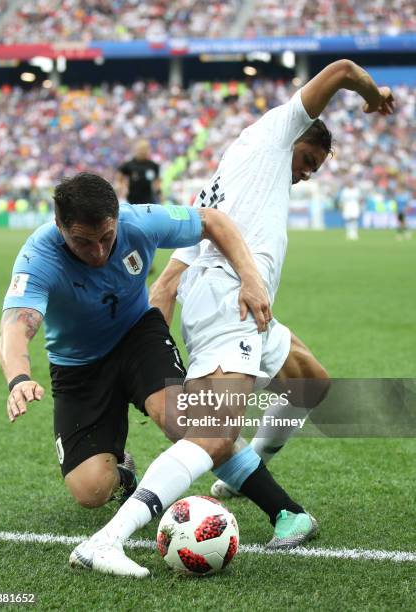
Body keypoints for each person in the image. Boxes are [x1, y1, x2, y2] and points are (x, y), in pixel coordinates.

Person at [0, 172, 306, 577]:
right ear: (59, 227)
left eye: (106, 238)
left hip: (137, 338)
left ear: (116, 219)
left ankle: (286, 510)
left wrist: (251, 277)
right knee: (90, 490)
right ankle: (124, 472)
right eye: (82, 242)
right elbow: (15, 329)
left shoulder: (138, 221)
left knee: (187, 422)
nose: (97, 252)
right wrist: (19, 378)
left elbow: (213, 220)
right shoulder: (38, 256)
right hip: (78, 368)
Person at [149, 60, 394, 504]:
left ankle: (242, 474)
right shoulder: (275, 132)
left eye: (314, 170)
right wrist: (373, 97)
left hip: (245, 303)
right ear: (295, 136)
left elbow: (168, 280)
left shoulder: (230, 177)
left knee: (311, 383)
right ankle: (123, 524)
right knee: (209, 428)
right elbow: (341, 70)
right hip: (228, 303)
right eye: (307, 161)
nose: (305, 174)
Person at [118, 139, 161, 204]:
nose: (143, 151)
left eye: (145, 149)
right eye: (141, 149)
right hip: (131, 200)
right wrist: (122, 188)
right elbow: (119, 178)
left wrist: (159, 193)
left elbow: (157, 182)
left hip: (149, 200)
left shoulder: (153, 166)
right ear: (136, 150)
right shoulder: (129, 165)